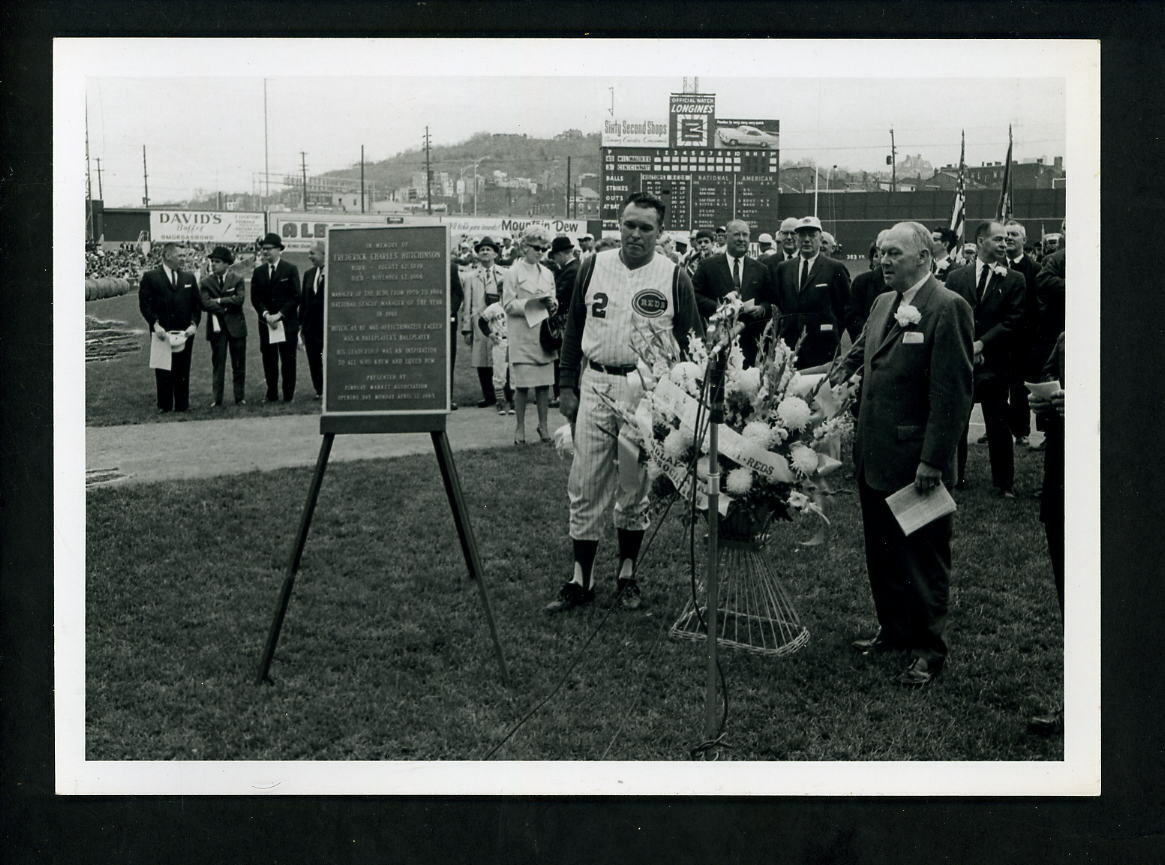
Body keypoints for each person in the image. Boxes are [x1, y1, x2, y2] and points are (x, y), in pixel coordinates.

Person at [831, 221, 974, 687]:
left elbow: (952, 394)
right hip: (875, 455)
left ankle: (928, 649)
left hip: (916, 462)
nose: (883, 261)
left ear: (924, 258)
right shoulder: (882, 302)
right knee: (883, 553)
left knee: (923, 558)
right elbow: (858, 357)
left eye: (894, 253)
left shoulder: (947, 308)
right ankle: (892, 631)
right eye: (880, 253)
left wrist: (934, 459)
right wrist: (823, 381)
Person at [550, 191, 704, 613]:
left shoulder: (674, 276)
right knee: (585, 481)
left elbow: (693, 346)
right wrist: (566, 384)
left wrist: (682, 403)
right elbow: (572, 330)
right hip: (596, 379)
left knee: (634, 487)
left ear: (660, 231)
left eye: (646, 227)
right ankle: (581, 578)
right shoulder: (593, 265)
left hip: (646, 390)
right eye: (629, 225)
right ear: (618, 224)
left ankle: (627, 574)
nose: (635, 234)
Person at [946, 220, 1025, 495]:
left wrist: (982, 344)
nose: (1004, 244)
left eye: (1006, 239)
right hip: (962, 361)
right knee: (957, 420)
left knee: (997, 422)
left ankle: (1003, 483)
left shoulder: (1014, 279)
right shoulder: (956, 277)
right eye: (998, 239)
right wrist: (967, 347)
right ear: (980, 242)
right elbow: (951, 317)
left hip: (996, 362)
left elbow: (1013, 321)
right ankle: (955, 477)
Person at [1026, 330, 1065, 735]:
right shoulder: (1068, 338)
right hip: (1062, 485)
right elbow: (1049, 375)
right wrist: (1044, 402)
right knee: (1070, 596)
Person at [766, 215, 852, 369]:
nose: (806, 239)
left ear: (820, 238)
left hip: (823, 348)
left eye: (812, 235)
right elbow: (780, 304)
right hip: (790, 347)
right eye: (802, 235)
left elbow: (845, 308)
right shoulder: (784, 268)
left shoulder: (835, 268)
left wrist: (830, 330)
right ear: (797, 238)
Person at [691, 219, 775, 366]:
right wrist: (721, 308)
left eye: (745, 235)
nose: (742, 239)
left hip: (751, 345)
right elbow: (695, 296)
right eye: (737, 235)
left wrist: (762, 308)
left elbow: (770, 301)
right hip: (717, 343)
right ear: (725, 237)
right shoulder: (707, 266)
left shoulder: (761, 269)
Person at [503, 225, 559, 444]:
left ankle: (543, 426)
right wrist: (531, 303)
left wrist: (552, 304)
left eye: (544, 249)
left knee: (544, 386)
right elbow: (507, 304)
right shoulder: (513, 272)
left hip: (543, 336)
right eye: (536, 248)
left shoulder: (548, 273)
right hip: (522, 334)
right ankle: (519, 428)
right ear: (525, 247)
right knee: (523, 386)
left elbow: (554, 301)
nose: (540, 252)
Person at [139, 242, 201, 413]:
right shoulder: (151, 277)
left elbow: (197, 305)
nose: (183, 259)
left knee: (183, 368)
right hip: (161, 332)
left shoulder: (189, 278)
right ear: (167, 255)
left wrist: (194, 324)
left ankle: (182, 405)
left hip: (184, 333)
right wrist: (154, 324)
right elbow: (145, 305)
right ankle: (164, 405)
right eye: (180, 255)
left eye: (184, 255)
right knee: (163, 368)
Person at [460, 236, 511, 413]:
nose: (484, 252)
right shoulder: (471, 277)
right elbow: (466, 304)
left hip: (500, 322)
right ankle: (488, 395)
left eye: (488, 249)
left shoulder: (505, 274)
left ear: (495, 254)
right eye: (481, 249)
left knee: (502, 358)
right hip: (479, 322)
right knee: (481, 359)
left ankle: (505, 395)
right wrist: (466, 328)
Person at [250, 232, 301, 403]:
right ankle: (271, 393)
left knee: (288, 360)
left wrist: (279, 314)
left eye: (269, 249)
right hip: (267, 324)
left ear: (279, 250)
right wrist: (266, 315)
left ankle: (288, 395)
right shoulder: (258, 272)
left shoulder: (290, 269)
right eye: (263, 249)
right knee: (269, 359)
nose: (265, 252)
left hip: (286, 323)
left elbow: (296, 296)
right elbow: (255, 298)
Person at [1003, 219, 1040, 446]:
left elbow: (1037, 307)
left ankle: (1021, 431)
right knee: (997, 388)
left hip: (1022, 340)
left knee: (1019, 388)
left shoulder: (1034, 270)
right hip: (999, 339)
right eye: (1006, 234)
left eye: (1014, 234)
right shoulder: (996, 267)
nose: (1009, 238)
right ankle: (998, 427)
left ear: (1024, 240)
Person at [199, 245, 247, 407]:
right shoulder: (206, 282)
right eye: (212, 261)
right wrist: (227, 306)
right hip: (217, 329)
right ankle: (217, 399)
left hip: (236, 328)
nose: (213, 264)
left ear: (227, 263)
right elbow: (204, 303)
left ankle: (239, 397)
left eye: (217, 261)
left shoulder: (237, 279)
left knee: (238, 365)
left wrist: (218, 301)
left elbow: (240, 300)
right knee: (218, 365)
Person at [548, 235, 579, 407]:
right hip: (566, 318)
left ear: (561, 254)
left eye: (555, 256)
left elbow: (561, 296)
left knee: (563, 357)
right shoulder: (573, 268)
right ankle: (562, 393)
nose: (555, 260)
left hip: (564, 319)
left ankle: (563, 394)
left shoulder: (572, 270)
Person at [844, 232, 890, 341]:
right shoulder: (862, 282)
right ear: (878, 250)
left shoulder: (907, 280)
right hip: (868, 343)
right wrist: (867, 338)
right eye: (884, 250)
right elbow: (852, 316)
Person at [299, 241, 327, 400]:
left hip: (328, 327)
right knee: (314, 359)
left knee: (328, 359)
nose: (309, 256)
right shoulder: (309, 274)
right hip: (311, 328)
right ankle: (320, 390)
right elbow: (304, 302)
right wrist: (301, 325)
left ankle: (331, 389)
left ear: (323, 254)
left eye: (312, 253)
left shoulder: (335, 273)